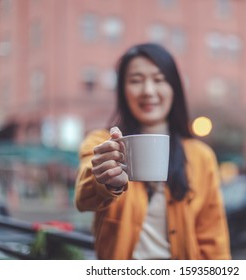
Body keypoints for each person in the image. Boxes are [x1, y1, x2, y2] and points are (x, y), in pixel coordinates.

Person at [75, 42, 231, 260]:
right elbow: (84, 199)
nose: (148, 91)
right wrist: (106, 181)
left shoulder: (201, 156)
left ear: (174, 88)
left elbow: (213, 239)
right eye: (136, 81)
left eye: (158, 80)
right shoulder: (102, 142)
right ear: (122, 91)